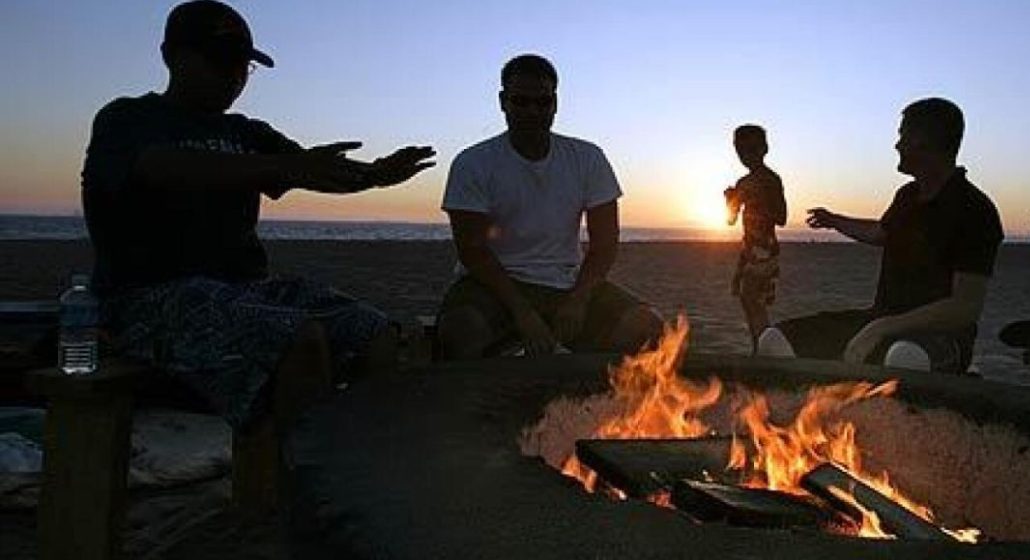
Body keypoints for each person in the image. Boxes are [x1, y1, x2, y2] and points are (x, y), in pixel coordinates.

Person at [81, 0, 435, 435]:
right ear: (172, 56)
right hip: (143, 300)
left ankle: (353, 465)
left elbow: (313, 169)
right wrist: (281, 167)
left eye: (243, 66)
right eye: (220, 61)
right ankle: (297, 486)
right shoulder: (127, 119)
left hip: (247, 290)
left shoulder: (246, 132)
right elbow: (159, 166)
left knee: (373, 332)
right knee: (297, 338)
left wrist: (375, 175)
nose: (233, 77)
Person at [437, 54, 663, 359]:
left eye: (542, 102)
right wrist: (523, 312)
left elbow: (605, 243)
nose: (532, 111)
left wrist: (579, 300)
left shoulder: (587, 158)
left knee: (649, 329)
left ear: (555, 103)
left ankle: (590, 397)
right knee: (460, 331)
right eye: (521, 102)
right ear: (503, 102)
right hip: (492, 286)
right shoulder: (473, 163)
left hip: (568, 284)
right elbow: (472, 250)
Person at [762, 98, 1003, 375]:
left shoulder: (975, 210)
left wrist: (884, 327)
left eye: (903, 135)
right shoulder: (907, 197)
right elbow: (880, 232)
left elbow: (964, 308)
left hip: (938, 335)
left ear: (925, 141)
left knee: (904, 357)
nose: (897, 145)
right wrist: (833, 220)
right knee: (775, 341)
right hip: (880, 319)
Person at [723, 124, 787, 352]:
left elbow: (781, 217)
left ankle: (763, 349)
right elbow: (730, 220)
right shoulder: (742, 183)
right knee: (748, 301)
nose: (745, 155)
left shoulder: (771, 180)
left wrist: (759, 200)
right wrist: (730, 200)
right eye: (740, 150)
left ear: (764, 149)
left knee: (754, 301)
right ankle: (758, 348)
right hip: (748, 250)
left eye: (751, 149)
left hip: (765, 250)